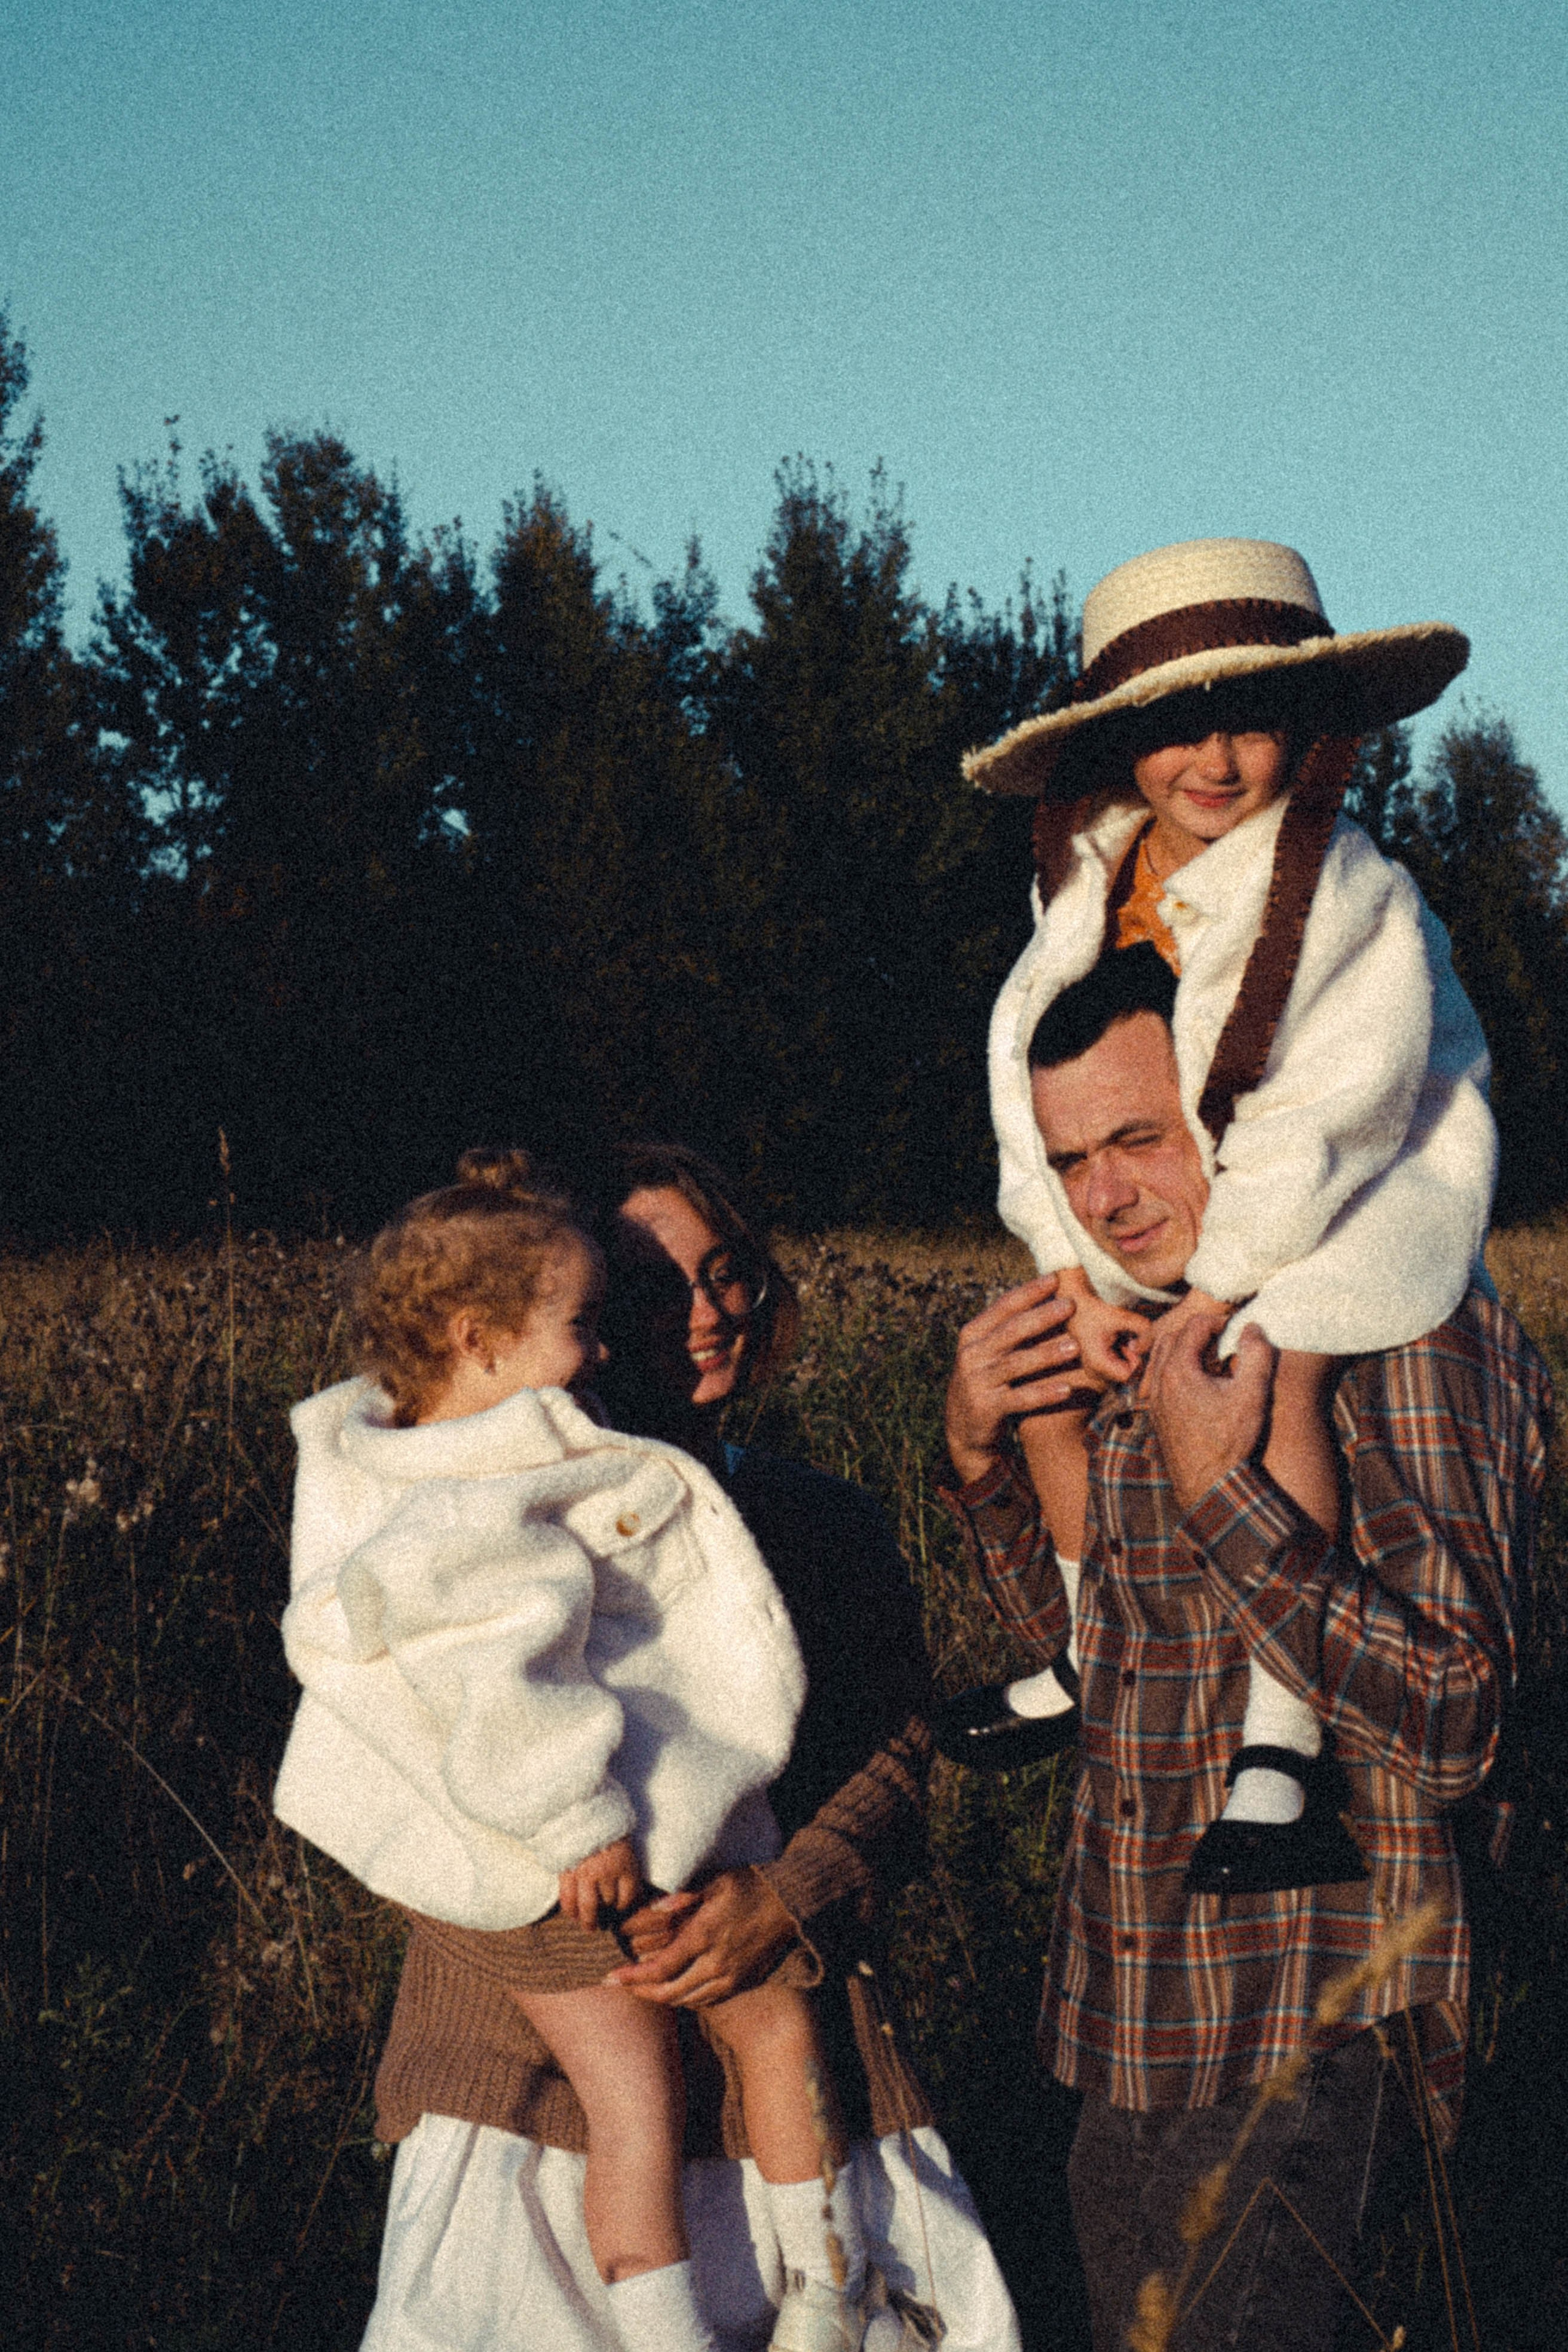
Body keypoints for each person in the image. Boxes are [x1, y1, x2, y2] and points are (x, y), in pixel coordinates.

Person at [939, 947, 1548, 2351]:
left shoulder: (1404, 1335)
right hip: (1131, 2013)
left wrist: (1225, 1493)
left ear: (1245, 1120)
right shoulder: (1143, 1322)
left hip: (1308, 2019)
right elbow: (1096, 1664)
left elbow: (1456, 1723)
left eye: (1139, 1140)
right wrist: (978, 1454)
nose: (1103, 1195)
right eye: (1069, 1159)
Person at [349, 1143, 1022, 2352]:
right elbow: (388, 1773)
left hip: (788, 2042)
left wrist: (782, 1899)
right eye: (657, 1287)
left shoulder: (819, 1519)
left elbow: (893, 1752)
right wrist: (573, 1928)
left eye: (726, 1275)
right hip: (532, 2070)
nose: (707, 1313)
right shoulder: (477, 1511)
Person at [941, 538, 1494, 1890]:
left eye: (1249, 719)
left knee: (1272, 1366)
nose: (1214, 759)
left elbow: (1332, 1106)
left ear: (1308, 728)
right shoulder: (1093, 878)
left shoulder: (1345, 888)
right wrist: (1070, 1263)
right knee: (1057, 1363)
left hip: (1357, 1184)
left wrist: (1223, 1282)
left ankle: (1280, 1747)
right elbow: (1032, 1063)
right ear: (1117, 744)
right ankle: (1086, 1641)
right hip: (1196, 1197)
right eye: (1171, 726)